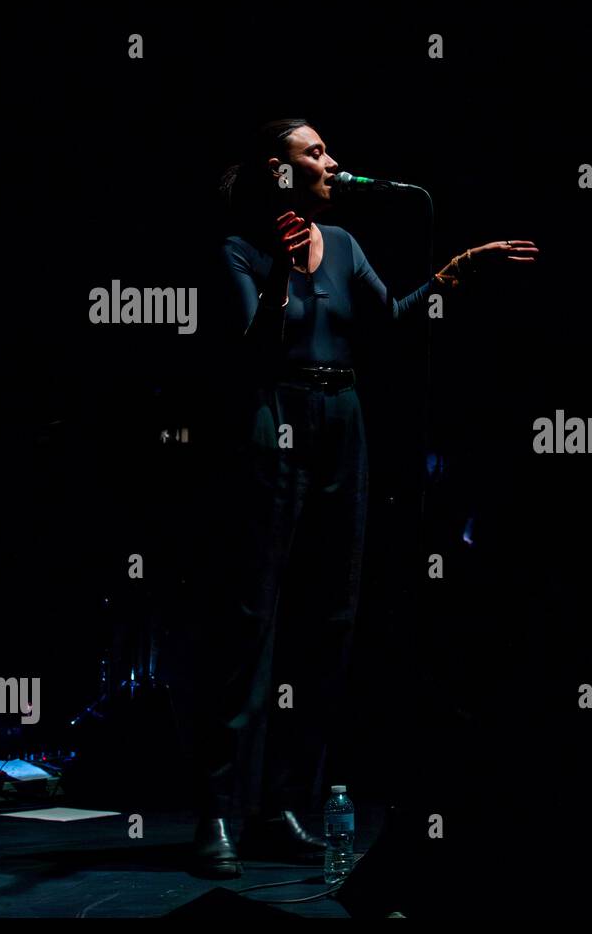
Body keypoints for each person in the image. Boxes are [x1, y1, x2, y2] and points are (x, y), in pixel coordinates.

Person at [190, 118, 538, 878]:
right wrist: (282, 273)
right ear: (277, 173)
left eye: (326, 150)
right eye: (314, 152)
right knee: (252, 619)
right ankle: (219, 808)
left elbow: (386, 325)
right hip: (273, 419)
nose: (332, 161)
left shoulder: (344, 243)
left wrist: (452, 274)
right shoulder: (238, 250)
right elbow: (253, 339)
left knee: (330, 617)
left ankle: (282, 802)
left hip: (344, 420)